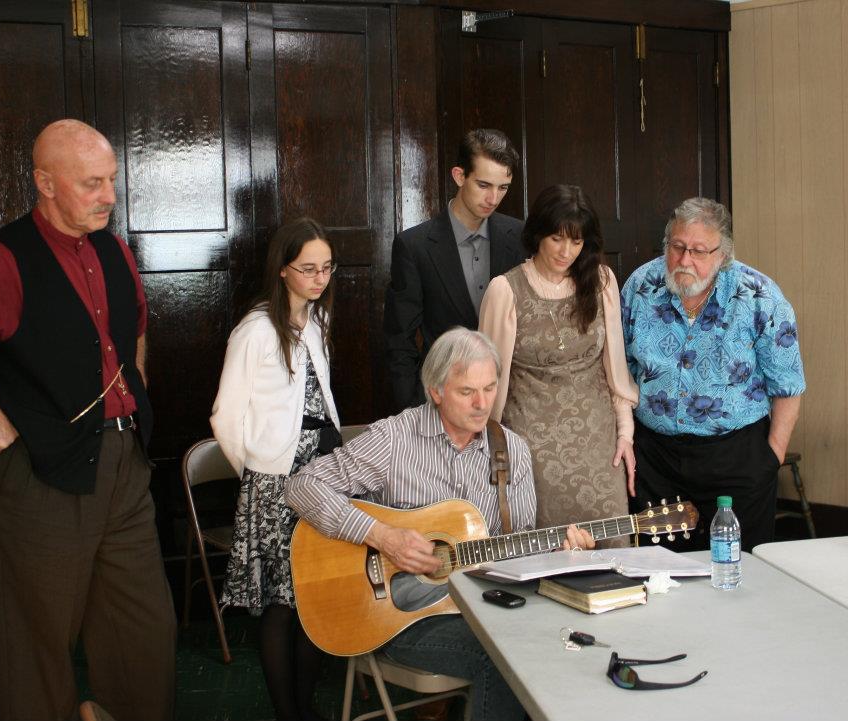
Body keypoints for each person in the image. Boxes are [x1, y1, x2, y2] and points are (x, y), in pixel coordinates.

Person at [0, 119, 175, 721]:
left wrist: (132, 386)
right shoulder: (1, 263)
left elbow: (136, 324)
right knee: (37, 644)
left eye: (112, 181)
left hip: (123, 465)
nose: (110, 197)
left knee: (144, 635)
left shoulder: (116, 249)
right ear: (45, 183)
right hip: (38, 475)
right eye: (92, 183)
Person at [285, 328, 594, 721]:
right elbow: (301, 486)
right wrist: (382, 536)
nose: (483, 404)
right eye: (467, 392)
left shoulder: (510, 449)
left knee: (557, 635)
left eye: (490, 387)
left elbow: (516, 550)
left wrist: (559, 554)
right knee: (504, 656)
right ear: (436, 390)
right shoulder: (394, 438)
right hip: (395, 616)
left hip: (482, 606)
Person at [210, 218, 341, 721]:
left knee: (317, 595)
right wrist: (260, 472)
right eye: (308, 268)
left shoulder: (317, 323)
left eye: (326, 268)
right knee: (282, 605)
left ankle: (307, 709)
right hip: (276, 486)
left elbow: (321, 402)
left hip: (323, 478)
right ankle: (289, 714)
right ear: (283, 270)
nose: (319, 278)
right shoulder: (255, 330)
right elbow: (225, 416)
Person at [621, 197, 805, 552]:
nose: (684, 260)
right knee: (661, 576)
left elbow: (788, 385)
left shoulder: (760, 296)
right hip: (656, 461)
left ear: (724, 254)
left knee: (738, 572)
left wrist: (771, 460)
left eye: (699, 251)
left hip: (736, 458)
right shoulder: (640, 287)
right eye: (677, 247)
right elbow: (619, 372)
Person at [479, 185, 639, 545]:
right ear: (538, 233)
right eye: (557, 239)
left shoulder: (600, 281)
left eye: (577, 242)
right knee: (543, 554)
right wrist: (488, 450)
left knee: (612, 553)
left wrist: (625, 435)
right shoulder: (505, 291)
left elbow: (616, 370)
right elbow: (488, 386)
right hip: (531, 449)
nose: (567, 252)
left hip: (599, 447)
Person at [384, 129, 525, 412]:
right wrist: (413, 409)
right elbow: (399, 339)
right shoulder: (414, 246)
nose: (494, 198)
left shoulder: (520, 236)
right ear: (459, 176)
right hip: (442, 400)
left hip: (511, 401)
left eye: (503, 187)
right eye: (484, 185)